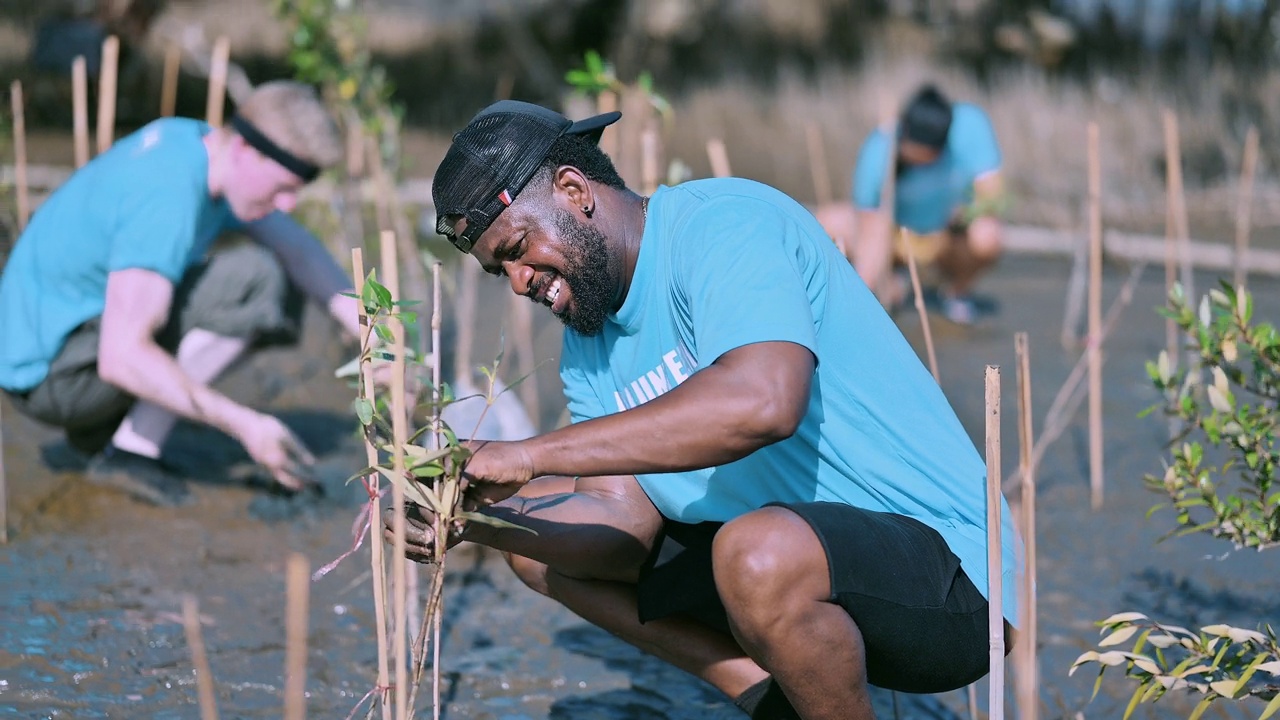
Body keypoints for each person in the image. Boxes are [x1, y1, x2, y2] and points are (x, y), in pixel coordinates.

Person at [390, 100, 1020, 719]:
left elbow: (765, 402)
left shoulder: (721, 226)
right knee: (535, 541)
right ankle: (766, 696)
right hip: (790, 571)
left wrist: (526, 455)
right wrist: (472, 518)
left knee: (756, 554)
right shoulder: (587, 344)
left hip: (952, 582)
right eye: (502, 272)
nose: (521, 281)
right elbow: (622, 529)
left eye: (519, 247)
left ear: (574, 188)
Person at [0, 80, 364, 507]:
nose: (288, 204)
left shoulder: (202, 147)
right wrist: (246, 424)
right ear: (247, 150)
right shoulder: (167, 197)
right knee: (256, 280)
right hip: (48, 376)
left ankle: (115, 432)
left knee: (269, 272)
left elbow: (300, 251)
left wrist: (378, 339)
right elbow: (120, 357)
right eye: (282, 187)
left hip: (66, 338)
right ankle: (130, 450)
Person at [817, 84, 1005, 325]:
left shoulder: (971, 125)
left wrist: (965, 213)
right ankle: (889, 281)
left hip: (945, 239)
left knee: (988, 233)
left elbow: (993, 195)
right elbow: (871, 228)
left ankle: (956, 293)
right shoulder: (879, 149)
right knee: (828, 220)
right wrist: (866, 294)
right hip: (895, 238)